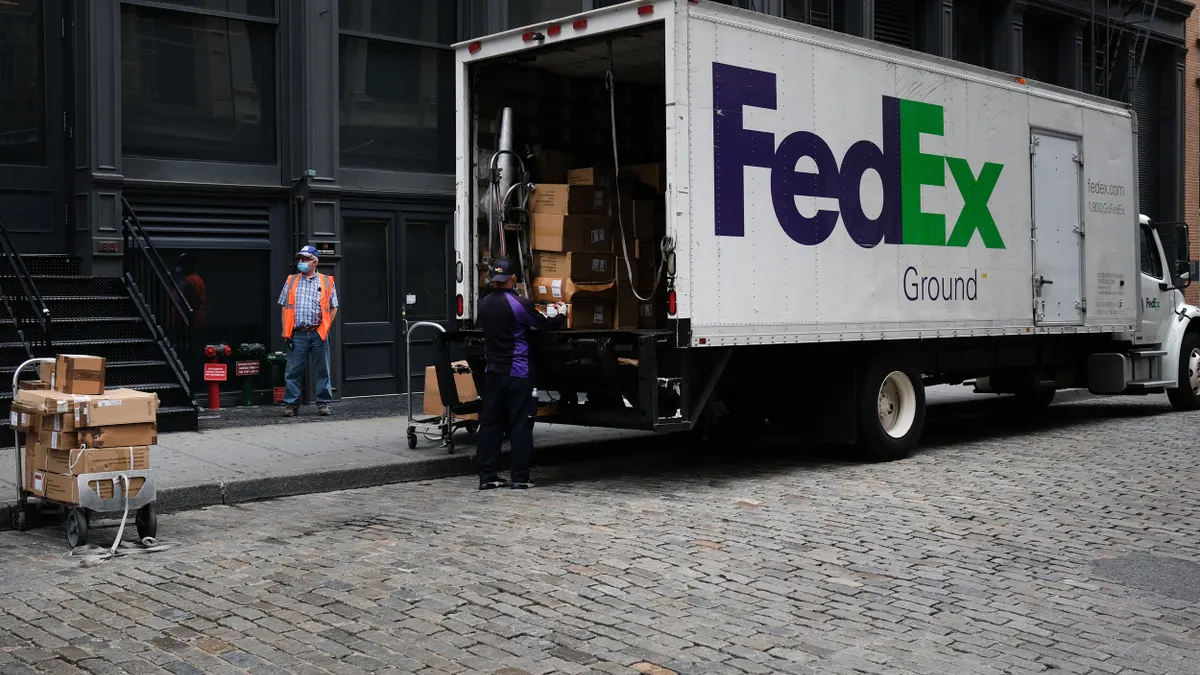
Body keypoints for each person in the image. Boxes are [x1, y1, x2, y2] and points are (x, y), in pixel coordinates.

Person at [476, 257, 565, 490]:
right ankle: (520, 477)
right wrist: (562, 315)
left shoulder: (483, 304)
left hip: (493, 371)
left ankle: (487, 476)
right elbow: (544, 324)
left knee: (490, 424)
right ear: (513, 278)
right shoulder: (518, 303)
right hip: (518, 372)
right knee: (520, 425)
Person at [278, 245, 338, 417]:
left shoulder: (326, 281)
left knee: (323, 370)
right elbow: (284, 307)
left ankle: (323, 403)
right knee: (292, 371)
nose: (301, 262)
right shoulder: (291, 281)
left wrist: (325, 328)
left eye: (305, 259)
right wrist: (285, 330)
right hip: (297, 333)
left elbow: (334, 308)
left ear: (314, 262)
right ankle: (291, 404)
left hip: (318, 332)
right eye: (300, 259)